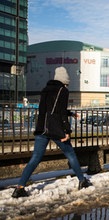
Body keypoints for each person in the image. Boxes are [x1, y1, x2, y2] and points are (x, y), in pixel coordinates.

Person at [12, 67, 92, 198]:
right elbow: (60, 112)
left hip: (41, 128)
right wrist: (66, 131)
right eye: (67, 81)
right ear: (64, 80)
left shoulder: (45, 90)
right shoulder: (63, 91)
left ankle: (19, 188)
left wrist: (70, 113)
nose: (67, 84)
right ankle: (82, 181)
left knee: (35, 158)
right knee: (70, 154)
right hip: (55, 129)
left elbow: (49, 110)